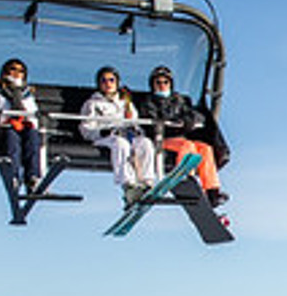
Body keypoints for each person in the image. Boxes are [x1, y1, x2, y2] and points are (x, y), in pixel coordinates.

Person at [142, 64, 226, 205]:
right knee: (188, 146)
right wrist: (168, 120)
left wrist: (190, 119)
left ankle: (212, 190)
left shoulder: (179, 100)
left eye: (165, 82)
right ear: (153, 84)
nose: (162, 85)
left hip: (180, 138)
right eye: (158, 82)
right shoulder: (150, 101)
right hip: (161, 139)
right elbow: (150, 117)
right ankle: (185, 177)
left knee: (205, 149)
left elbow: (195, 114)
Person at [79, 65, 157, 200]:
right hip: (107, 138)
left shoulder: (126, 103)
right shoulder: (92, 103)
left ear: (117, 82)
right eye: (104, 81)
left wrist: (136, 130)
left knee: (145, 143)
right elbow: (86, 128)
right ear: (99, 84)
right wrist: (103, 132)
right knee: (120, 144)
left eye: (111, 80)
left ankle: (146, 182)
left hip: (127, 134)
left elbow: (135, 122)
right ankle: (128, 185)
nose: (108, 84)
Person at [0, 58, 42, 193]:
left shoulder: (25, 93)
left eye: (20, 71)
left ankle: (33, 178)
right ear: (5, 72)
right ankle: (13, 176)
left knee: (33, 136)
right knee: (11, 136)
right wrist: (6, 121)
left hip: (23, 127)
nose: (16, 73)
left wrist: (25, 121)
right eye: (13, 69)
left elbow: (33, 114)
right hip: (2, 129)